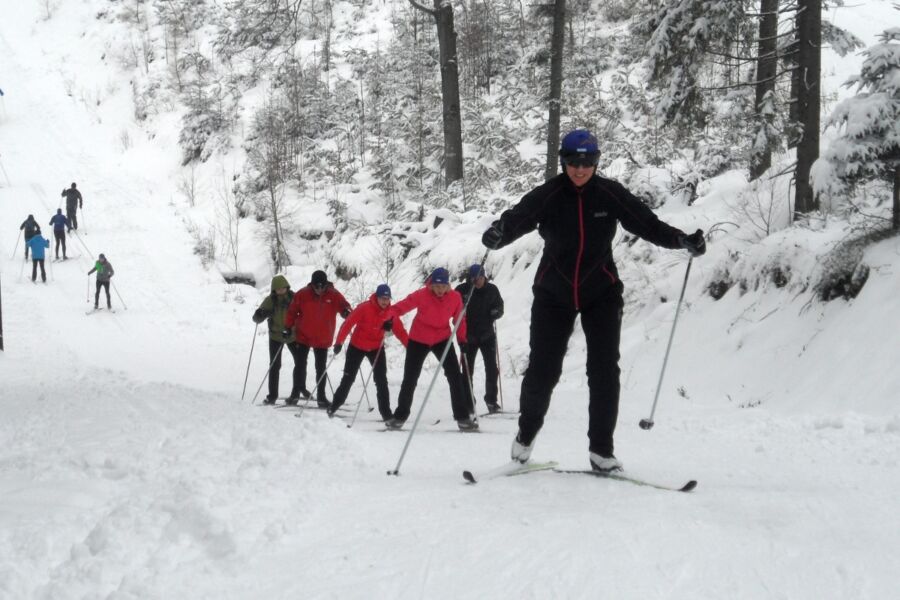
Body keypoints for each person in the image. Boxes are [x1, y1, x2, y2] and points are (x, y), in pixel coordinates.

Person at [480, 128, 706, 473]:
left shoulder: (609, 194)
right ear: (564, 161)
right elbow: (517, 219)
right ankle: (525, 437)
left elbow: (646, 223)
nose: (580, 169)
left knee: (603, 371)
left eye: (587, 162)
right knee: (544, 370)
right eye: (573, 161)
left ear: (596, 161)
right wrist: (497, 234)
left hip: (600, 290)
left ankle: (602, 451)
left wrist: (681, 240)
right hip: (553, 293)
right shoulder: (550, 194)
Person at [386, 267, 477, 431]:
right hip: (418, 339)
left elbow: (459, 319)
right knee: (410, 378)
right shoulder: (421, 295)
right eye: (437, 286)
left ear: (448, 285)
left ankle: (462, 417)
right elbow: (399, 308)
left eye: (443, 286)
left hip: (442, 339)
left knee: (455, 377)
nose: (440, 289)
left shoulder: (455, 298)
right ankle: (399, 417)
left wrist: (462, 339)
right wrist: (389, 319)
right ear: (431, 285)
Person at [329, 284, 409, 421]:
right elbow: (348, 324)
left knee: (381, 381)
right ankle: (334, 406)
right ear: (376, 297)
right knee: (348, 378)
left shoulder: (391, 314)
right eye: (382, 298)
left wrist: (411, 348)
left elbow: (401, 332)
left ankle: (386, 414)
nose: (385, 301)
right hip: (357, 346)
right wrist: (339, 343)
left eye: (387, 299)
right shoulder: (364, 308)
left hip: (376, 348)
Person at [283, 270, 351, 409]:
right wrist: (287, 327)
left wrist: (346, 312)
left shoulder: (334, 294)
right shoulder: (303, 294)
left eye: (322, 286)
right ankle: (295, 394)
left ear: (326, 284)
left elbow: (344, 306)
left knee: (321, 368)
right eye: (316, 286)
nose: (320, 289)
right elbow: (292, 311)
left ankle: (321, 397)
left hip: (323, 337)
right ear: (312, 285)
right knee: (300, 365)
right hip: (303, 336)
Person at [455, 264, 505, 414]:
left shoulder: (492, 289)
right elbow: (453, 307)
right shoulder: (462, 290)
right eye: (474, 279)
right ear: (469, 278)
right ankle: (469, 403)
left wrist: (497, 312)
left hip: (487, 335)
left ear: (485, 277)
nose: (477, 281)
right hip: (468, 336)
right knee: (467, 370)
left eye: (480, 278)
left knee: (492, 369)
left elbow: (500, 305)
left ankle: (491, 401)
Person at [252, 275, 306, 405]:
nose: (281, 290)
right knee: (274, 366)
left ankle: (296, 393)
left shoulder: (294, 298)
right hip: (276, 336)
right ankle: (272, 396)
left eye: (283, 288)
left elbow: (303, 314)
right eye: (278, 289)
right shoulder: (270, 300)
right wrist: (259, 315)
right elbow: (256, 318)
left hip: (292, 336)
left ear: (287, 287)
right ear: (274, 290)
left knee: (300, 363)